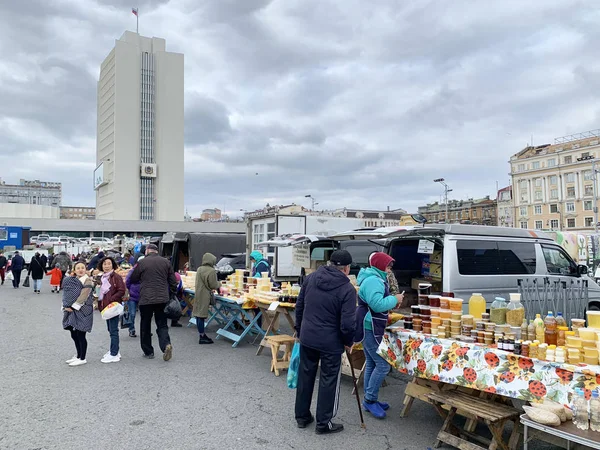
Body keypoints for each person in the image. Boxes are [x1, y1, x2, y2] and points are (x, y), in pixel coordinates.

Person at [294, 250, 356, 435]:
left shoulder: (311, 279)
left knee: (305, 376)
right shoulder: (347, 289)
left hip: (308, 335)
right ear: (346, 268)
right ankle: (324, 422)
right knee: (329, 380)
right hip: (331, 341)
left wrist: (298, 329)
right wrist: (348, 341)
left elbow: (300, 306)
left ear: (329, 263)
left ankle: (302, 417)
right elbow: (347, 323)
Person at [355, 252, 403, 420]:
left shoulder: (375, 279)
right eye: (388, 266)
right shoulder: (373, 280)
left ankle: (370, 398)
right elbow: (376, 305)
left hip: (370, 324)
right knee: (382, 365)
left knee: (371, 363)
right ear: (381, 266)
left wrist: (392, 302)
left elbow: (378, 303)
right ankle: (369, 400)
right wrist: (394, 298)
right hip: (369, 326)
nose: (390, 270)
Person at [129, 244, 177, 361]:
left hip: (146, 298)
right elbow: (173, 281)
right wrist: (170, 295)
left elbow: (134, 278)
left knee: (145, 324)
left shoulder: (142, 262)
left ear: (147, 251)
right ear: (156, 251)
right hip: (162, 298)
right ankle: (166, 345)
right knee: (162, 324)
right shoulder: (166, 262)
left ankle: (148, 351)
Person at [62, 262, 95, 366]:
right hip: (72, 309)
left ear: (86, 269)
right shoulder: (72, 280)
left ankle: (82, 357)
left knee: (81, 334)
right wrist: (65, 305)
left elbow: (84, 294)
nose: (80, 270)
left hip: (84, 309)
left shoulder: (88, 280)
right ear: (74, 270)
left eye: (82, 268)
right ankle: (78, 355)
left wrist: (73, 306)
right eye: (78, 268)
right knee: (73, 333)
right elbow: (66, 293)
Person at [97, 256, 126, 364]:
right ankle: (114, 351)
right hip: (106, 308)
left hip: (112, 307)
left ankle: (114, 353)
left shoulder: (116, 277)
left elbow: (121, 290)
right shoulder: (103, 278)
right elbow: (100, 293)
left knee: (113, 330)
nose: (107, 266)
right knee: (110, 330)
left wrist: (112, 300)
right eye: (104, 264)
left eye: (109, 264)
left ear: (113, 265)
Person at [193, 253, 220, 344]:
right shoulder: (211, 271)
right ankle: (202, 336)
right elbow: (213, 285)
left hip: (198, 293)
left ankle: (201, 334)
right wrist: (220, 284)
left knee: (198, 314)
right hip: (205, 294)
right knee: (202, 315)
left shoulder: (199, 269)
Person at [125, 264, 141, 338]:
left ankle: (145, 330)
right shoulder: (132, 271)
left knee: (144, 315)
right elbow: (127, 281)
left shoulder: (146, 271)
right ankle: (131, 330)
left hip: (143, 295)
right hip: (133, 295)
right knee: (132, 313)